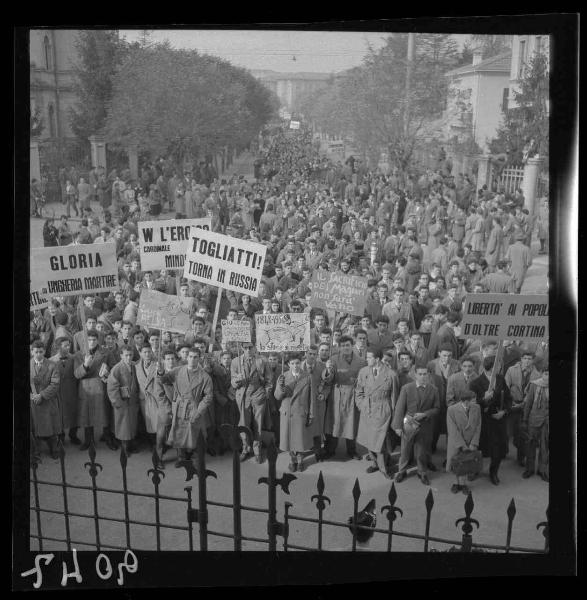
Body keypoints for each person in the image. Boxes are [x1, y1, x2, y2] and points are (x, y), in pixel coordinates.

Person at [159, 347, 214, 463]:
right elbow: (165, 380)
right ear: (187, 357)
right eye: (190, 357)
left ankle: (197, 456)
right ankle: (181, 457)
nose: (192, 359)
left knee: (196, 433)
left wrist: (199, 411)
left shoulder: (205, 377)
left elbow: (208, 397)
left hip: (194, 407)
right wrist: (160, 372)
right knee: (178, 431)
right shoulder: (178, 370)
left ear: (199, 359)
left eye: (195, 357)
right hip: (180, 406)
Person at [392, 366, 440, 486]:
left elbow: (437, 408)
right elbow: (399, 408)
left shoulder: (433, 389)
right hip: (408, 424)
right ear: (415, 375)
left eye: (425, 374)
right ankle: (401, 471)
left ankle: (422, 472)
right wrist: (397, 427)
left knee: (422, 451)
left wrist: (425, 414)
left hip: (425, 426)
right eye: (420, 374)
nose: (423, 377)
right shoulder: (407, 388)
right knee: (405, 449)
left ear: (428, 375)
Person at [469, 356, 512, 486]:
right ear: (491, 367)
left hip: (498, 421)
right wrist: (483, 399)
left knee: (497, 450)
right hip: (482, 422)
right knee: (479, 448)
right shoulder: (475, 383)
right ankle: (475, 470)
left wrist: (504, 412)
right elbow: (471, 405)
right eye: (498, 365)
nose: (500, 367)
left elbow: (509, 398)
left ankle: (493, 473)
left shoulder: (500, 379)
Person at [355, 349, 398, 478]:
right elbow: (358, 391)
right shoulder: (364, 372)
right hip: (367, 409)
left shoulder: (391, 375)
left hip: (382, 410)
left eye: (369, 357)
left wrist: (393, 415)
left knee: (380, 442)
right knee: (370, 439)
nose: (366, 360)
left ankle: (384, 468)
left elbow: (394, 397)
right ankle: (375, 463)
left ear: (377, 359)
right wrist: (361, 405)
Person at [73, 329, 118, 451]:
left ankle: (108, 437)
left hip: (101, 386)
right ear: (85, 341)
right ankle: (88, 440)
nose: (91, 342)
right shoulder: (78, 354)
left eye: (94, 340)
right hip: (85, 388)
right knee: (87, 415)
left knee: (105, 413)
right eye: (89, 340)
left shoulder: (106, 352)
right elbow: (76, 374)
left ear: (98, 340)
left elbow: (114, 368)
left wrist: (107, 371)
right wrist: (85, 365)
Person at [323, 336, 366, 460]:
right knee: (335, 423)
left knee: (351, 423)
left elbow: (363, 379)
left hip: (353, 394)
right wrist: (327, 369)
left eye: (347, 345)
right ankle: (331, 450)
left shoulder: (361, 361)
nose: (345, 348)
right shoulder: (333, 359)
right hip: (337, 395)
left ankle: (352, 450)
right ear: (339, 347)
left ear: (352, 345)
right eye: (342, 346)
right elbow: (328, 379)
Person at [231, 342, 272, 463]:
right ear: (242, 348)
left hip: (258, 393)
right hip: (243, 395)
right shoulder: (235, 362)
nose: (248, 350)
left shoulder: (262, 361)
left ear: (254, 348)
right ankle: (245, 448)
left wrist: (266, 393)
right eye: (245, 348)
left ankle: (257, 450)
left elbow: (269, 380)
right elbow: (232, 383)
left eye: (250, 347)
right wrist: (237, 379)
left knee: (258, 423)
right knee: (244, 423)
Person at [274, 352, 315, 472]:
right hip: (287, 413)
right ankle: (292, 460)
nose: (295, 365)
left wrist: (311, 414)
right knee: (289, 439)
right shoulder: (283, 376)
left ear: (300, 363)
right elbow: (277, 396)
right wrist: (280, 387)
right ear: (288, 364)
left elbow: (311, 398)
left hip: (301, 411)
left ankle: (300, 459)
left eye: (297, 363)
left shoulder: (307, 376)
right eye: (292, 363)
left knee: (300, 439)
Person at [505, 351, 541, 467]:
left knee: (523, 433)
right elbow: (505, 387)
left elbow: (534, 393)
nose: (527, 361)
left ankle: (521, 457)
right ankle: (503, 452)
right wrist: (511, 402)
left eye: (529, 359)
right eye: (525, 358)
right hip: (512, 405)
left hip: (526, 408)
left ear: (533, 360)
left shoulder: (537, 374)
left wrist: (523, 404)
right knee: (508, 431)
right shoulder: (512, 370)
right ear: (521, 359)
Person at [446, 390, 482, 494]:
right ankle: (455, 483)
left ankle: (463, 484)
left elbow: (478, 426)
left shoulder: (477, 408)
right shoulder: (451, 410)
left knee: (466, 463)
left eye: (472, 400)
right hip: (455, 442)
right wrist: (462, 445)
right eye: (472, 400)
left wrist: (474, 442)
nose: (467, 403)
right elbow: (452, 429)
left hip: (470, 441)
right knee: (456, 462)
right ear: (463, 401)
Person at [30, 339, 62, 459]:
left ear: (44, 352)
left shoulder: (52, 365)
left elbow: (55, 384)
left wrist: (41, 395)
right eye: (36, 351)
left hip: (48, 401)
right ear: (32, 351)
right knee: (35, 428)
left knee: (52, 428)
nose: (39, 354)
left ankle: (54, 448)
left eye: (41, 352)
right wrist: (32, 396)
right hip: (34, 402)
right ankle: (36, 449)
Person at [106, 345, 140, 455]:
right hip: (122, 403)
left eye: (130, 355)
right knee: (123, 426)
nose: (129, 357)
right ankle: (124, 448)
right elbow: (112, 387)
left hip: (133, 402)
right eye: (126, 355)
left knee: (132, 424)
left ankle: (131, 444)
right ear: (121, 355)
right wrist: (117, 402)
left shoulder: (135, 366)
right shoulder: (117, 368)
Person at [50, 337, 80, 445]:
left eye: (69, 345)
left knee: (73, 412)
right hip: (58, 392)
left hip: (72, 390)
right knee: (60, 414)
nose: (68, 347)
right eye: (65, 345)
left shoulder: (74, 358)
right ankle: (61, 435)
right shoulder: (51, 360)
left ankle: (73, 434)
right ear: (59, 347)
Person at [522, 369, 549, 481]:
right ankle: (529, 469)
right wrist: (524, 420)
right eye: (546, 374)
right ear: (542, 374)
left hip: (547, 421)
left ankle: (542, 470)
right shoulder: (534, 385)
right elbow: (528, 403)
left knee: (544, 447)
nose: (548, 376)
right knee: (531, 444)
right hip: (533, 419)